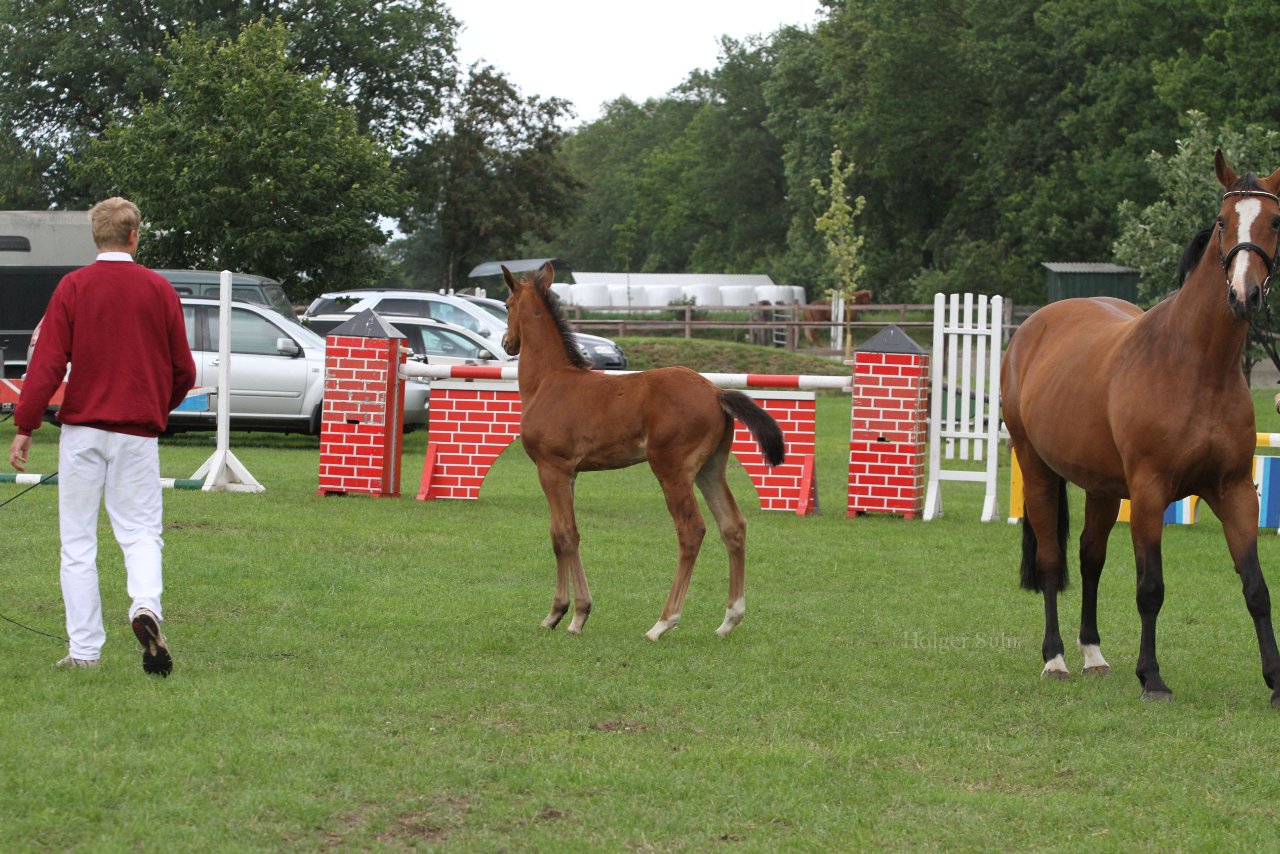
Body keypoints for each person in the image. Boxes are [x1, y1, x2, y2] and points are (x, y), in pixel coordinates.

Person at [8, 197, 196, 676]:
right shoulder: (159, 289)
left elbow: (47, 362)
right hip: (136, 433)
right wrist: (156, 406)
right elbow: (184, 369)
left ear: (96, 236)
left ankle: (85, 650)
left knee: (77, 543)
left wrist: (26, 423)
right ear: (135, 235)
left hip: (82, 431)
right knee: (139, 532)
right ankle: (144, 607)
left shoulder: (73, 286)